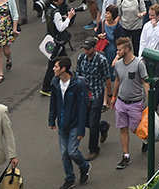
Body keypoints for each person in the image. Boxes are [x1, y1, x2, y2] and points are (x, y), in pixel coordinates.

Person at [47, 56, 92, 189]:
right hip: (62, 124)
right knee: (64, 154)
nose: (53, 69)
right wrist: (52, 119)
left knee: (72, 151)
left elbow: (82, 108)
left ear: (63, 69)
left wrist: (81, 130)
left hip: (74, 124)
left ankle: (84, 166)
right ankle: (70, 178)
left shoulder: (77, 84)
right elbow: (53, 102)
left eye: (56, 67)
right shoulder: (55, 83)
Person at [107, 37, 150, 171]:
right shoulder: (119, 65)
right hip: (121, 102)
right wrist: (114, 97)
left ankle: (146, 141)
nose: (117, 52)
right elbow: (118, 81)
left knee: (134, 129)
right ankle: (126, 156)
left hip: (135, 103)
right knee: (123, 128)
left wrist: (150, 102)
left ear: (127, 49)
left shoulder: (139, 64)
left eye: (119, 50)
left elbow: (145, 82)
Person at [74, 37, 112, 163]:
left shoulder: (101, 60)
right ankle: (104, 126)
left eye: (88, 48)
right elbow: (78, 76)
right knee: (85, 121)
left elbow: (107, 78)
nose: (86, 51)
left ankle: (93, 149)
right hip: (84, 94)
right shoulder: (81, 58)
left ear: (94, 48)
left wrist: (109, 96)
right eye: (85, 48)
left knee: (93, 122)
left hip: (97, 93)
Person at [138, 4, 159, 103]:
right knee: (152, 78)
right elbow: (143, 41)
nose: (150, 18)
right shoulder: (146, 26)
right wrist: (140, 56)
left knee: (156, 82)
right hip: (150, 56)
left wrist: (155, 27)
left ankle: (154, 106)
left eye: (153, 15)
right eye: (149, 15)